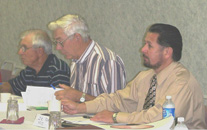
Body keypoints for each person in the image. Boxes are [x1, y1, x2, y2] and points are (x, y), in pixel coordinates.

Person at [61, 23, 206, 129]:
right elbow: (116, 101)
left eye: (149, 45)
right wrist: (80, 108)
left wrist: (115, 117)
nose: (142, 49)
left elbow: (159, 118)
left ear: (167, 52)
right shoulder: (146, 77)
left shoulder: (182, 82)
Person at [48, 14, 126, 102]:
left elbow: (115, 105)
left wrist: (80, 96)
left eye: (60, 42)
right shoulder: (75, 61)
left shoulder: (107, 62)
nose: (58, 47)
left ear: (77, 37)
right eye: (56, 43)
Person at [0, 29, 70, 96]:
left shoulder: (58, 69)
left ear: (40, 51)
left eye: (24, 48)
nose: (19, 52)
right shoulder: (29, 70)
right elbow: (10, 86)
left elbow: (59, 100)